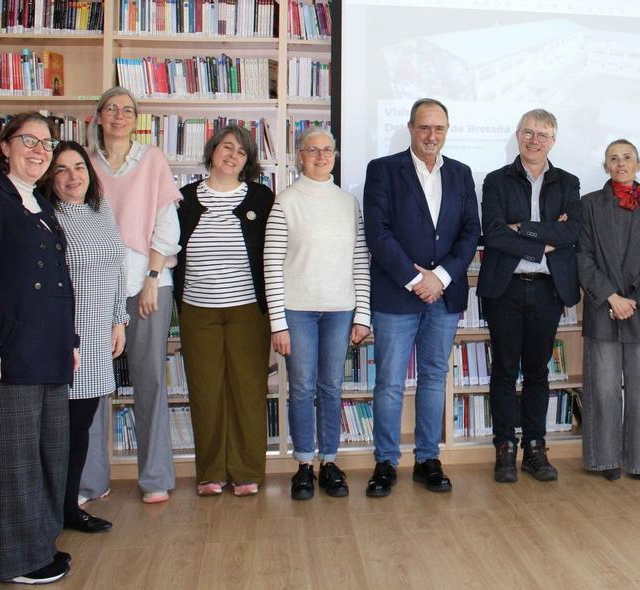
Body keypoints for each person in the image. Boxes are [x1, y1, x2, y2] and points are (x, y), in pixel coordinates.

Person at [0, 112, 77, 584]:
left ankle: (39, 544)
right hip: (5, 356)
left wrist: (71, 341)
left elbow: (59, 284)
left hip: (47, 352)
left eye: (47, 143)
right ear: (5, 146)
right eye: (29, 140)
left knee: (49, 454)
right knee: (13, 462)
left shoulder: (41, 206)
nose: (40, 150)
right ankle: (17, 562)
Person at [363, 98, 481, 497]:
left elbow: (470, 232)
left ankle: (428, 458)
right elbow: (377, 233)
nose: (432, 136)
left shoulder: (463, 174)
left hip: (444, 297)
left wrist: (442, 277)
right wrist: (417, 281)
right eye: (424, 127)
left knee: (434, 378)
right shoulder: (382, 170)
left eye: (439, 129)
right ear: (411, 128)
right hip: (398, 295)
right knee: (390, 382)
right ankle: (385, 462)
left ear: (447, 131)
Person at [86, 86, 182, 504]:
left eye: (128, 110)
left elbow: (167, 224)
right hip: (94, 289)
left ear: (136, 118)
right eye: (112, 109)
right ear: (99, 116)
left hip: (148, 286)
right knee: (90, 386)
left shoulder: (153, 159)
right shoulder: (83, 165)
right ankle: (90, 480)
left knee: (150, 382)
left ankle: (155, 478)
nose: (120, 116)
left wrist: (151, 276)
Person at [264, 128, 371, 500]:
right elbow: (272, 264)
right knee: (302, 388)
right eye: (313, 150)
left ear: (335, 155)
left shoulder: (347, 202)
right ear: (299, 156)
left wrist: (363, 315)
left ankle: (329, 461)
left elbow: (360, 260)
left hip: (340, 310)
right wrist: (278, 322)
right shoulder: (285, 202)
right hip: (298, 311)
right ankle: (304, 465)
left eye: (328, 150)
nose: (321, 156)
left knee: (331, 387)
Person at [476, 109, 581, 483]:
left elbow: (573, 234)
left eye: (543, 135)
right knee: (504, 371)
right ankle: (504, 448)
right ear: (518, 135)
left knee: (538, 372)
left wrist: (524, 229)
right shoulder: (496, 181)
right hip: (505, 288)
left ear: (553, 141)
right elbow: (494, 234)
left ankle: (535, 448)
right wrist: (544, 241)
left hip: (547, 290)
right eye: (529, 133)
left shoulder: (568, 182)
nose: (535, 140)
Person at [174, 126, 275, 497]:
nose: (232, 156)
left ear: (248, 162)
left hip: (249, 310)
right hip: (198, 310)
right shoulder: (184, 198)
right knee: (206, 390)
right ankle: (211, 472)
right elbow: (170, 249)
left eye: (241, 153)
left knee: (248, 389)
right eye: (226, 147)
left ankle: (247, 470)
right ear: (212, 151)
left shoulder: (262, 198)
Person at [576, 139, 640, 480]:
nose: (620, 164)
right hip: (603, 308)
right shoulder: (588, 205)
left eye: (626, 157)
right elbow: (582, 257)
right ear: (605, 166)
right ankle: (605, 460)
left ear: (638, 163)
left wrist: (633, 300)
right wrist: (611, 297)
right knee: (602, 390)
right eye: (613, 159)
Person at [45, 141, 125, 533]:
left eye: (79, 167)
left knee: (80, 428)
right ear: (50, 177)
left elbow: (118, 266)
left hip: (97, 337)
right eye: (62, 169)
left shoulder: (101, 209)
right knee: (57, 431)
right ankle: (50, 510)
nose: (73, 176)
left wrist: (118, 320)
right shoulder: (48, 217)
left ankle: (68, 508)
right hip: (64, 338)